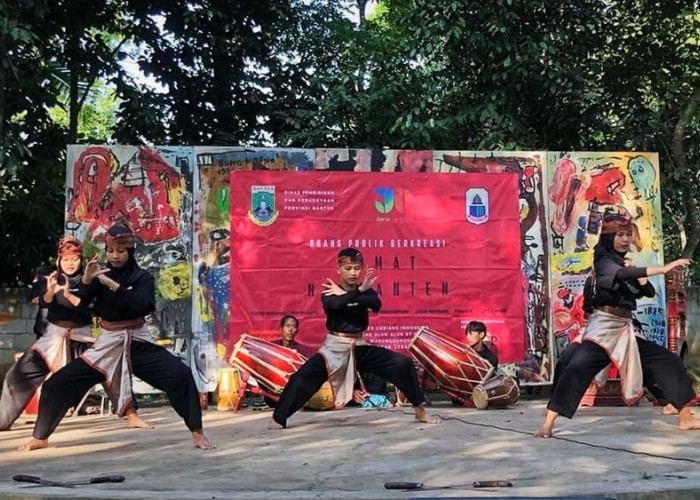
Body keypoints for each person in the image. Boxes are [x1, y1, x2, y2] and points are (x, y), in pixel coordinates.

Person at [18, 223, 214, 451]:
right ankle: (40, 436)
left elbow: (142, 305)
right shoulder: (98, 275)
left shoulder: (142, 277)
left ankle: (197, 432)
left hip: (138, 342)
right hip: (107, 344)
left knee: (180, 375)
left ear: (129, 252)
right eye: (111, 251)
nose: (115, 256)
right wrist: (87, 281)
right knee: (55, 385)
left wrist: (114, 286)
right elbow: (83, 304)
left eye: (120, 252)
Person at [535, 211, 700, 438]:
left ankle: (685, 417)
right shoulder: (603, 261)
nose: (625, 239)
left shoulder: (624, 265)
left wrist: (640, 275)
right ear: (608, 237)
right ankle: (548, 424)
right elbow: (617, 275)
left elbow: (647, 291)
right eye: (620, 235)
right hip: (601, 329)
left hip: (624, 329)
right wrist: (660, 269)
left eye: (628, 235)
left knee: (667, 362)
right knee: (575, 368)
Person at [267, 247, 440, 429]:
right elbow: (337, 304)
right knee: (302, 378)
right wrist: (358, 293)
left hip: (359, 346)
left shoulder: (366, 290)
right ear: (338, 270)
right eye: (348, 268)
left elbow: (376, 304)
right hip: (334, 348)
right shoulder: (329, 291)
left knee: (402, 364)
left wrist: (357, 293)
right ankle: (279, 418)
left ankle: (420, 411)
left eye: (357, 268)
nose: (353, 273)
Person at [0, 237, 147, 431]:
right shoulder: (48, 275)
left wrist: (71, 295)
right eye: (66, 258)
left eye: (75, 258)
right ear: (58, 259)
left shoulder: (92, 278)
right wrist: (51, 293)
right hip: (54, 335)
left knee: (112, 370)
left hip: (84, 334)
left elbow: (91, 310)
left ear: (81, 260)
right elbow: (41, 301)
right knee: (19, 374)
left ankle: (131, 414)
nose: (70, 263)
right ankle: (2, 421)